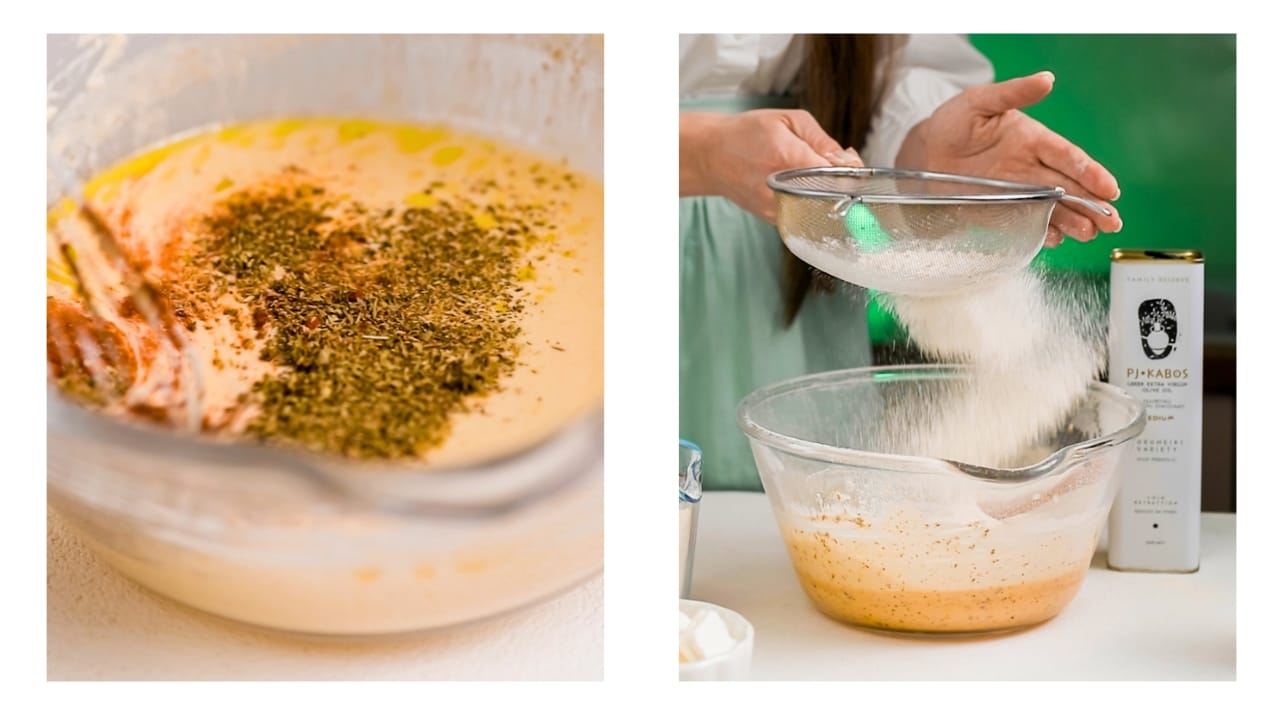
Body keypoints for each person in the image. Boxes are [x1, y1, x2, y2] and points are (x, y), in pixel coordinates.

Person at [679, 34, 1123, 491]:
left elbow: (890, 73)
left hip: (805, 241)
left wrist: (929, 152)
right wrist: (700, 152)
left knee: (810, 506)